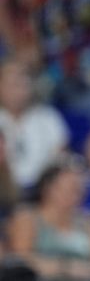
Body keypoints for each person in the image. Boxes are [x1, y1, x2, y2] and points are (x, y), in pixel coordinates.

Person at [7, 157, 90, 281]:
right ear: (49, 189)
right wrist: (66, 268)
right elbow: (20, 261)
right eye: (71, 188)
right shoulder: (27, 218)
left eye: (79, 189)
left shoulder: (88, 222)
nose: (76, 194)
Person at [0, 58, 69, 191]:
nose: (17, 89)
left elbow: (59, 160)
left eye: (22, 82)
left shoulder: (48, 117)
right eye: (11, 83)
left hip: (41, 192)